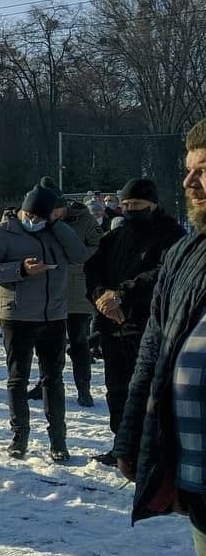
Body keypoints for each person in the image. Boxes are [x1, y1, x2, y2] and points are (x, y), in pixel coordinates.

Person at [115, 121, 206, 556]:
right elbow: (153, 354)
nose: (190, 182)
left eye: (204, 169)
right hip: (196, 478)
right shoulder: (186, 254)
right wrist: (131, 437)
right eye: (187, 170)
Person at [0, 182, 90, 461]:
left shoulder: (58, 233)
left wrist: (57, 225)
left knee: (53, 380)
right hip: (18, 316)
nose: (33, 221)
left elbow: (79, 256)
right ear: (22, 211)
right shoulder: (2, 231)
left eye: (40, 216)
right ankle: (20, 436)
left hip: (54, 315)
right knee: (18, 379)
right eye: (30, 215)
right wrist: (21, 270)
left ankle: (58, 440)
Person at [86, 178, 183, 465]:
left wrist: (122, 295)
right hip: (113, 324)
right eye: (125, 205)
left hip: (150, 325)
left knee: (149, 392)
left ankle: (153, 450)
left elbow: (162, 274)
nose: (129, 210)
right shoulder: (115, 236)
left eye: (136, 205)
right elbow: (93, 270)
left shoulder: (171, 235)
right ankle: (123, 446)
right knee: (117, 391)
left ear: (152, 204)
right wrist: (102, 297)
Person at [23, 181, 100, 407]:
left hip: (76, 291)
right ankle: (43, 383)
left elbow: (98, 247)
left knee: (79, 342)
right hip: (46, 291)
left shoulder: (84, 219)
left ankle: (83, 388)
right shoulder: (40, 219)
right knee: (45, 343)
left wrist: (75, 258)